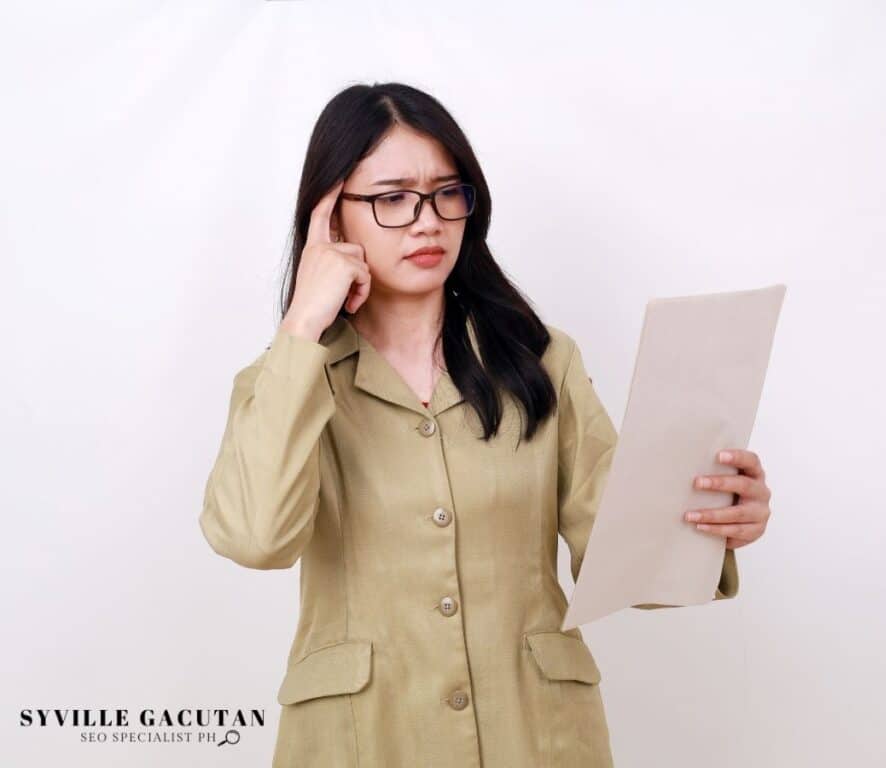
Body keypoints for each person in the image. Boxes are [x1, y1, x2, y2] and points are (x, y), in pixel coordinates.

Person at [199, 81, 772, 768]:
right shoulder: (287, 381)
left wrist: (712, 519)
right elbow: (257, 538)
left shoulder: (542, 361)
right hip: (363, 741)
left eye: (447, 191)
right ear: (330, 219)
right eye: (391, 198)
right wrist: (302, 323)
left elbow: (625, 559)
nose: (427, 220)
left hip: (536, 737)